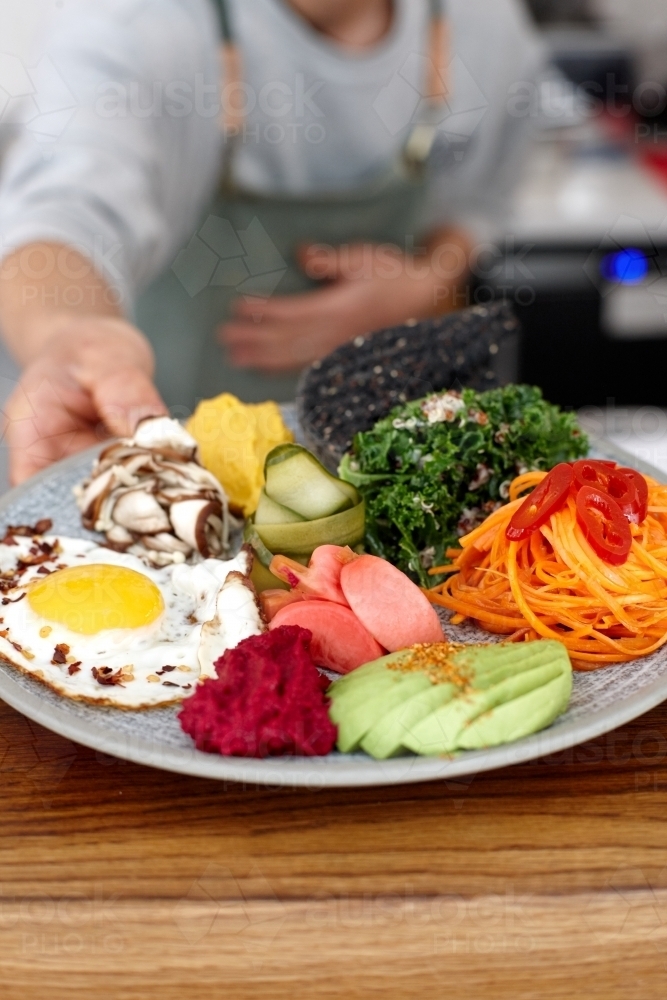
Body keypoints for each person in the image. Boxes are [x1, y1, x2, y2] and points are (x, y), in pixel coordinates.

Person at [0, 0, 544, 484]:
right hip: (154, 468)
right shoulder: (133, 25)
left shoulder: (485, 24)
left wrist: (430, 277)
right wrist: (69, 333)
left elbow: (482, 204)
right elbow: (61, 211)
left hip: (368, 469)